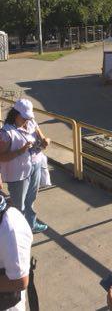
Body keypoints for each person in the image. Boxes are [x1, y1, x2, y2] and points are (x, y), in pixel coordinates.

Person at [2, 100, 49, 234]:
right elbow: (1, 157)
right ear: (15, 114)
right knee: (19, 204)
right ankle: (18, 232)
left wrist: (45, 141)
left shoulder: (31, 123)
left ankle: (31, 224)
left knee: (30, 199)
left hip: (35, 165)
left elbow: (42, 137)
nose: (27, 120)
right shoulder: (6, 133)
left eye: (28, 117)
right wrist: (20, 151)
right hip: (18, 173)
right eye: (24, 117)